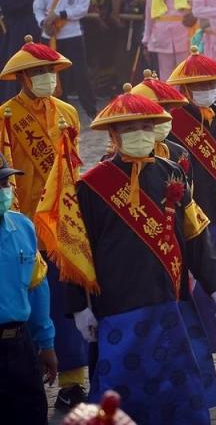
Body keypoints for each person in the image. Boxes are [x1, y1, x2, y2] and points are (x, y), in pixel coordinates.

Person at [65, 85, 216, 425]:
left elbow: (195, 234)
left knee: (177, 393)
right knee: (119, 396)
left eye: (145, 126)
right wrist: (79, 306)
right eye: (129, 128)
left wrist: (214, 282)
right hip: (117, 306)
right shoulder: (92, 185)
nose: (139, 134)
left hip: (171, 300)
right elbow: (76, 250)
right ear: (114, 133)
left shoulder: (173, 172)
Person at [0, 34, 89, 408]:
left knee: (67, 300)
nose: (46, 77)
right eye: (37, 72)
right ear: (22, 77)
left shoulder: (68, 114)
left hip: (63, 222)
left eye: (49, 71)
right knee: (30, 298)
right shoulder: (6, 116)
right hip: (24, 224)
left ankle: (72, 381)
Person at [166, 48, 216, 354]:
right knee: (191, 282)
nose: (206, 91)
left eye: (210, 85)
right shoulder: (173, 121)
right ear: (185, 90)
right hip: (188, 215)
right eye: (199, 87)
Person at [0, 154, 58, 424]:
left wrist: (46, 343)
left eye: (5, 182)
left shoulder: (22, 226)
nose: (4, 190)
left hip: (19, 345)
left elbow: (37, 286)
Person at [32, 0, 97, 117]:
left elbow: (82, 8)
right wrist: (42, 22)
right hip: (49, 34)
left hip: (71, 34)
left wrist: (60, 14)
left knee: (80, 74)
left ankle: (91, 110)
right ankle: (61, 110)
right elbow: (37, 7)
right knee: (52, 75)